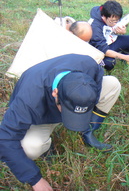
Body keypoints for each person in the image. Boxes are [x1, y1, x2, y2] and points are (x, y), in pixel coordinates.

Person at [0, 54, 121, 190]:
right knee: (30, 148)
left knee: (112, 84)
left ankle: (89, 131)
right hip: (42, 114)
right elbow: (5, 139)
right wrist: (35, 180)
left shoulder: (89, 65)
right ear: (55, 93)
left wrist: (85, 104)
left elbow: (98, 85)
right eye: (69, 111)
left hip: (63, 95)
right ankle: (46, 148)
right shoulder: (28, 100)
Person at [88, 0, 129, 71]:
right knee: (109, 63)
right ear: (103, 17)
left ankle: (125, 57)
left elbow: (111, 28)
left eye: (117, 21)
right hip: (99, 49)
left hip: (109, 40)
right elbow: (103, 50)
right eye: (113, 21)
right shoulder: (95, 27)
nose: (115, 23)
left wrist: (122, 29)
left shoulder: (110, 14)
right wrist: (124, 57)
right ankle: (103, 63)